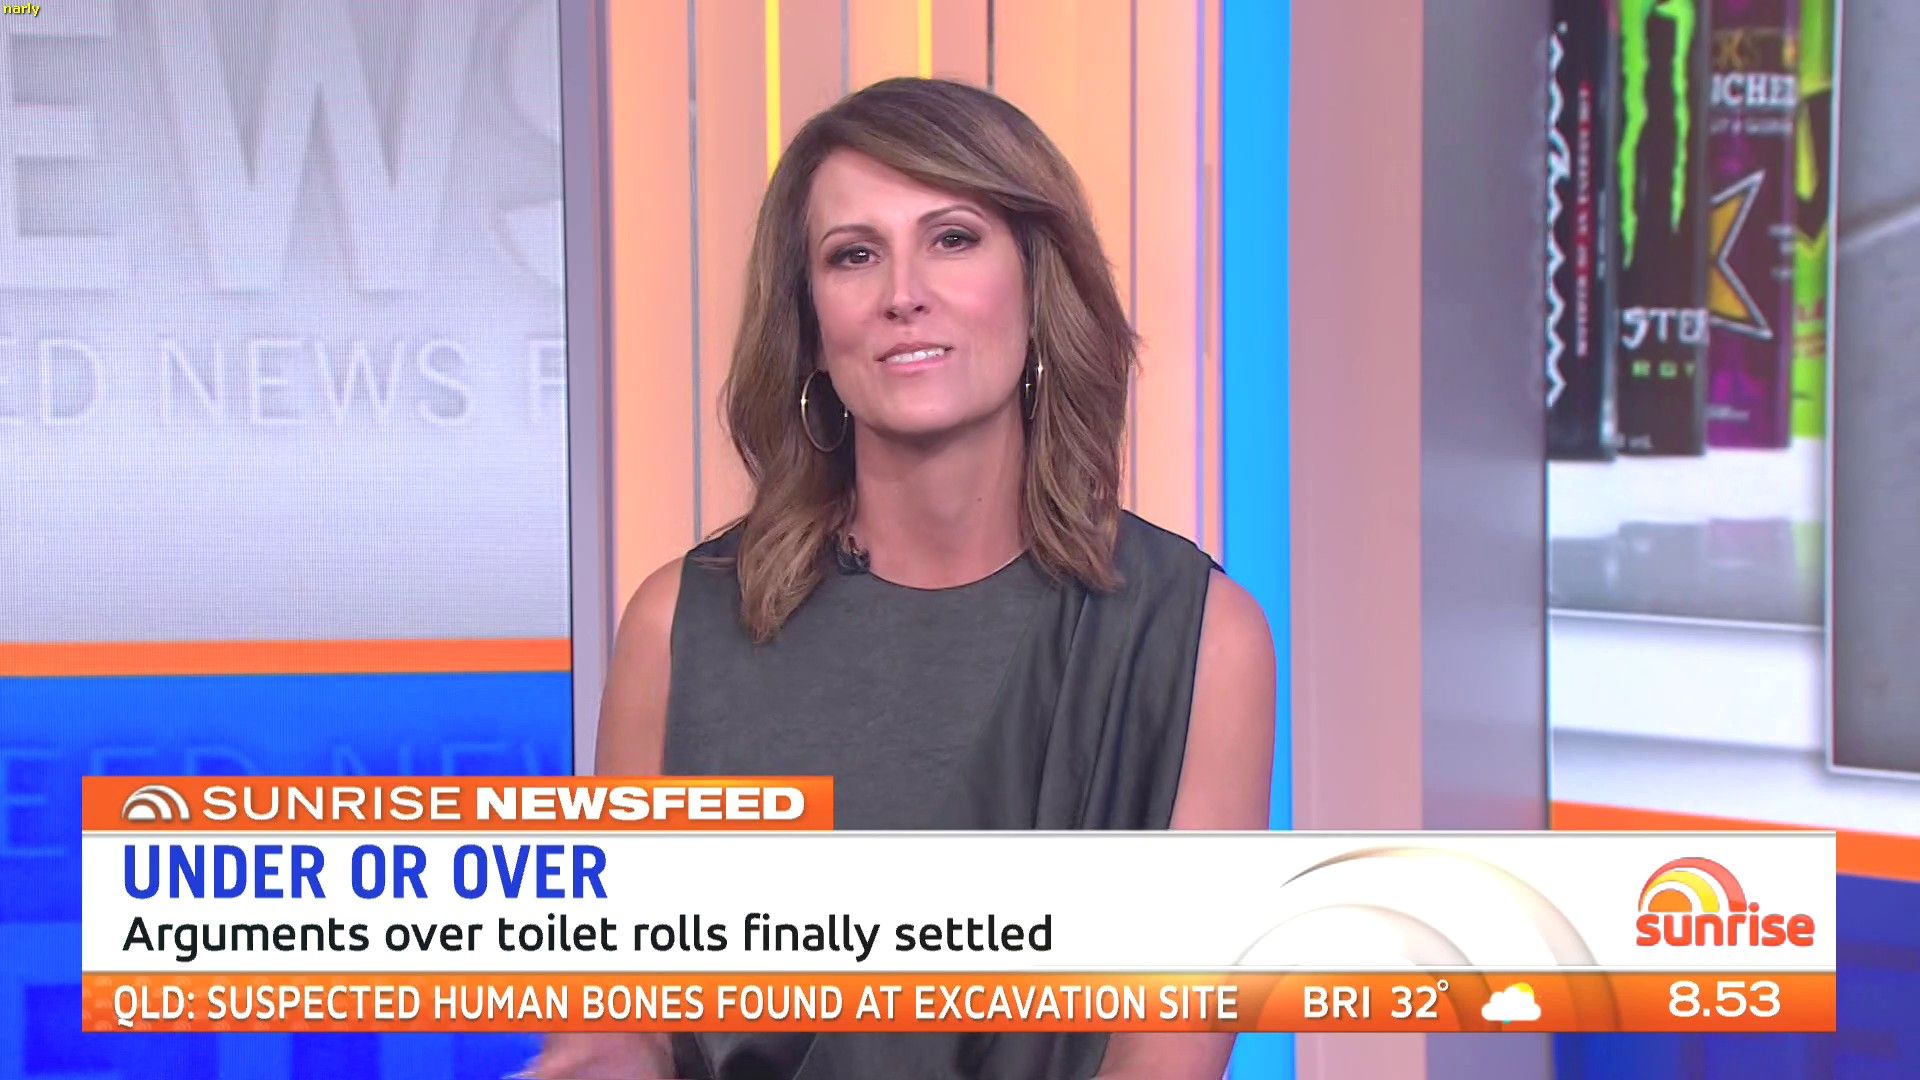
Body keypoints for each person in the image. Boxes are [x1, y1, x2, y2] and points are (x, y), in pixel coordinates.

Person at [532, 76, 1274, 1080]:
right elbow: (614, 1028)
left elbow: (1167, 1053)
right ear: (811, 324)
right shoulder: (677, 627)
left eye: (953, 239)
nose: (902, 293)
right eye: (854, 255)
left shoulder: (1198, 637)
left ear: (1036, 286)